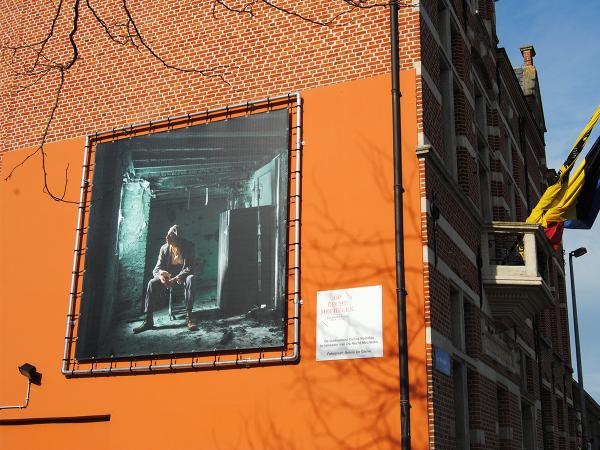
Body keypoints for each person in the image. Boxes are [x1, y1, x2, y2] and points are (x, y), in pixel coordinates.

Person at [133, 225, 199, 333]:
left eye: (171, 235)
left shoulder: (189, 246)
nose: (167, 237)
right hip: (168, 276)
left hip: (183, 275)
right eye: (167, 235)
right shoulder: (164, 248)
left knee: (191, 279)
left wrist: (177, 278)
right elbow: (156, 269)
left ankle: (189, 316)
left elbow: (190, 267)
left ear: (178, 237)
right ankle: (148, 320)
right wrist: (161, 277)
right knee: (151, 283)